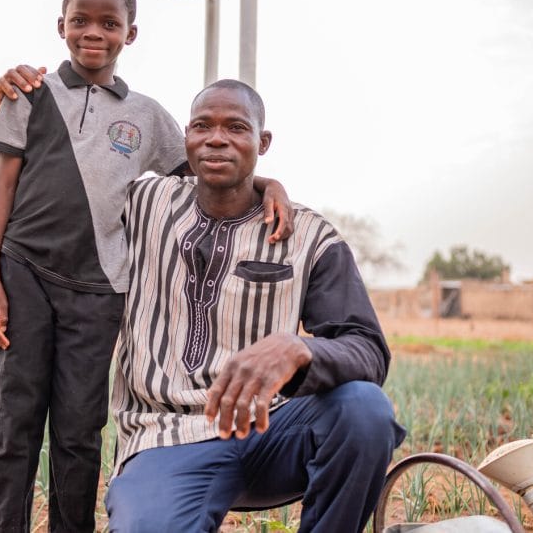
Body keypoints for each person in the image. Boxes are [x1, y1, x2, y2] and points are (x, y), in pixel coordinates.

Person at [0, 0, 292, 532]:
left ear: (130, 34)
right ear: (61, 26)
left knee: (78, 427)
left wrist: (271, 185)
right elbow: (2, 184)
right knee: (16, 420)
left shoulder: (147, 116)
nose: (92, 33)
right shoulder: (29, 92)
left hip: (100, 292)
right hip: (22, 271)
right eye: (80, 21)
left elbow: (208, 170)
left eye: (108, 23)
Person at [105, 79, 406, 533]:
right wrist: (18, 115)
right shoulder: (143, 205)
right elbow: (62, 190)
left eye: (236, 127)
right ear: (186, 137)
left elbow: (367, 349)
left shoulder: (308, 236)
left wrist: (299, 348)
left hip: (272, 432)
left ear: (262, 142)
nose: (217, 138)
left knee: (364, 408)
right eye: (202, 126)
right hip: (164, 436)